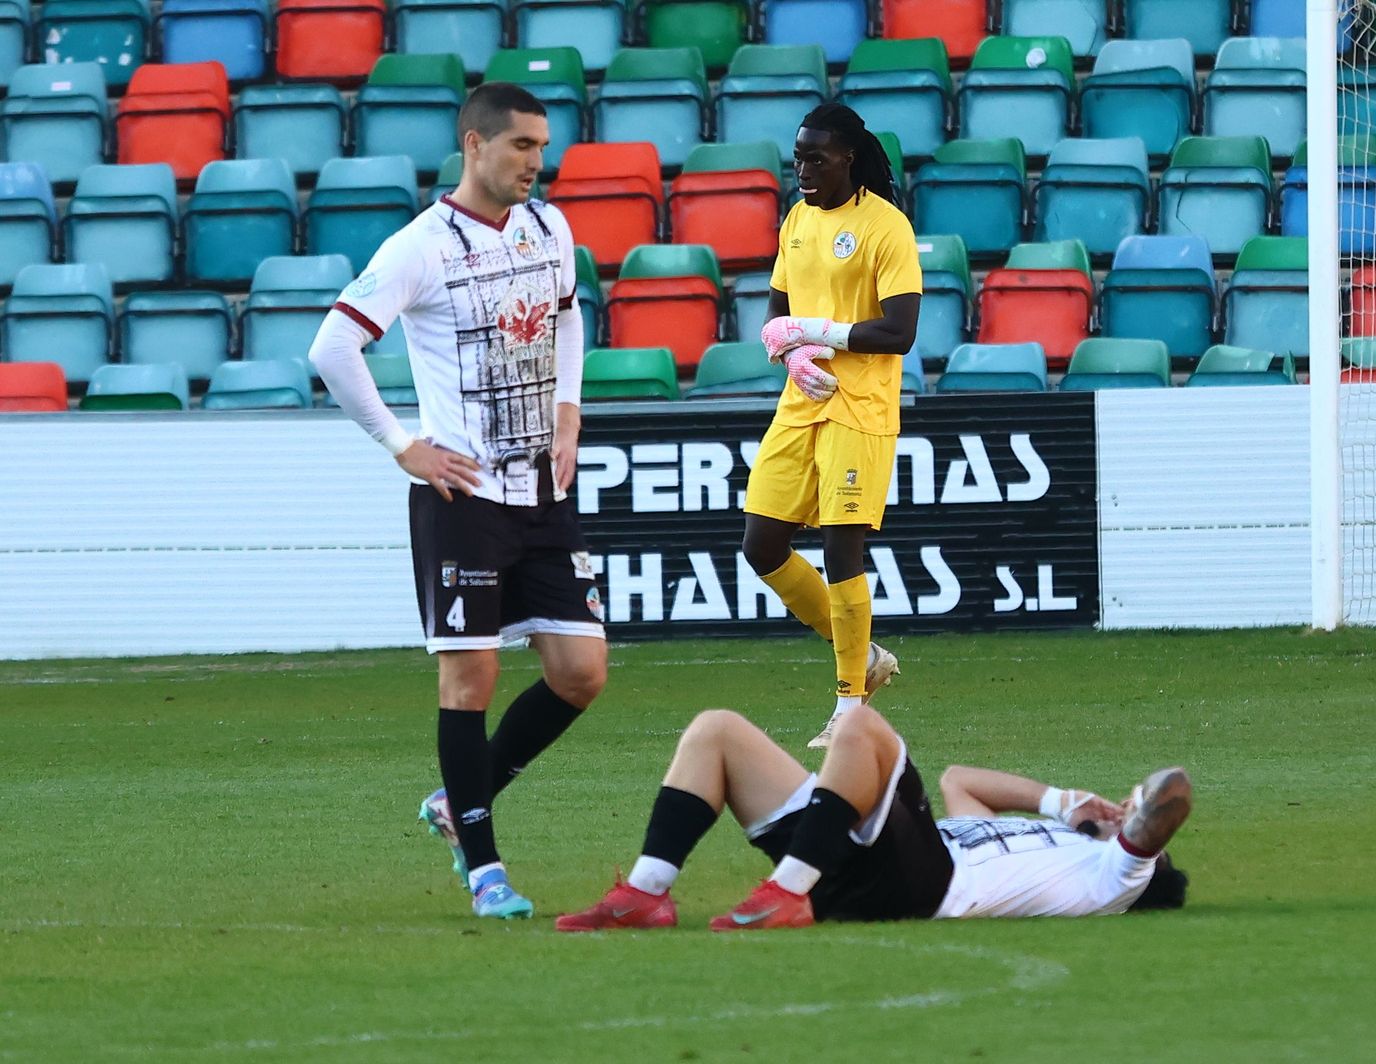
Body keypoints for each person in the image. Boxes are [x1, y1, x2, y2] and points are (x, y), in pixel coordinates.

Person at [309, 83, 606, 920]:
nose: (535, 163)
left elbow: (568, 315)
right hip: (464, 493)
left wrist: (568, 409)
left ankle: (451, 801)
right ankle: (485, 869)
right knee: (470, 677)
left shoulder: (551, 226)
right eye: (521, 147)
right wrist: (402, 446)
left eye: (542, 148)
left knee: (580, 673)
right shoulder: (420, 247)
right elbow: (333, 347)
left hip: (539, 490)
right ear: (474, 145)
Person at [553, 704, 1191, 932]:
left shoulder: (1115, 876)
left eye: (1132, 805)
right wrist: (1061, 801)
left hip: (930, 887)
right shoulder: (1048, 837)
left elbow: (1172, 794)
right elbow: (958, 783)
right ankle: (646, 892)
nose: (1127, 800)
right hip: (874, 861)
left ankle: (786, 891)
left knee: (861, 725)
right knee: (717, 731)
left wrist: (1130, 819)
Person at [742, 103, 924, 749]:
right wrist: (790, 352)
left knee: (842, 549)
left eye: (816, 157)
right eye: (798, 157)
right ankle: (864, 653)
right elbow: (776, 311)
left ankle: (851, 707)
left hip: (861, 405)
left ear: (849, 156)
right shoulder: (797, 219)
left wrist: (816, 333)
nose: (803, 169)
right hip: (802, 402)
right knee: (761, 545)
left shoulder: (885, 227)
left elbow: (899, 332)